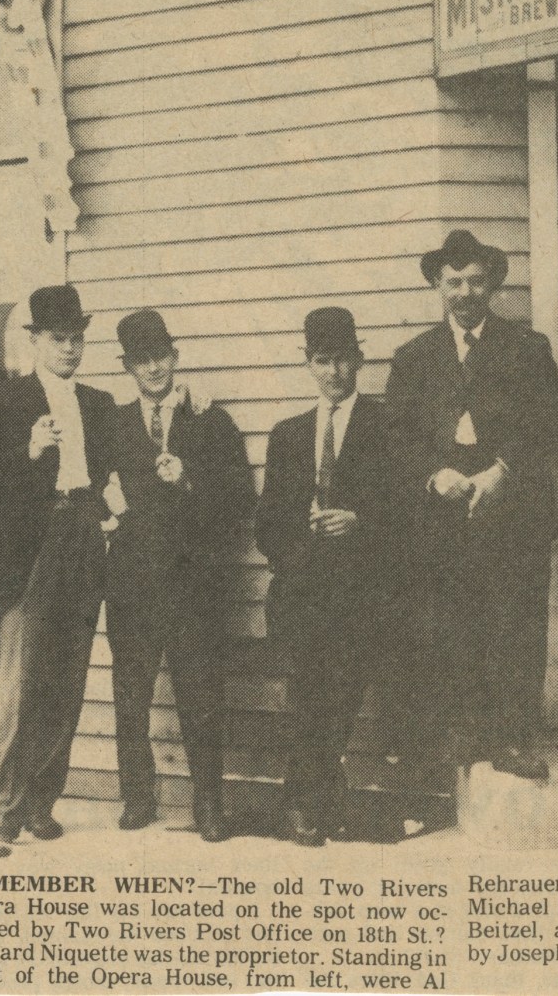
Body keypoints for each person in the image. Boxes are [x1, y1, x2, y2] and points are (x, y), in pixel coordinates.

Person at [385, 230, 558, 781]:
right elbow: (396, 438)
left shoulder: (528, 350)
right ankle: (461, 732)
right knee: (449, 621)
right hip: (442, 509)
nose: (465, 292)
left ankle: (513, 738)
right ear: (438, 286)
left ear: (493, 285)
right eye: (454, 282)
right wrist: (435, 475)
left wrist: (503, 471)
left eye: (476, 281)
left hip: (511, 503)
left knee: (513, 623)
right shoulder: (414, 358)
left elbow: (547, 429)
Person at [0, 285, 114, 858]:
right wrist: (24, 452)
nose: (70, 349)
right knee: (18, 685)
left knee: (68, 678)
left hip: (82, 536)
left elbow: (116, 466)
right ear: (34, 341)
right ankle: (0, 816)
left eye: (77, 338)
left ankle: (39, 806)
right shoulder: (5, 401)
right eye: (58, 339)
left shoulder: (98, 404)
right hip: (27, 546)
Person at [102, 310, 254, 842]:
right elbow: (89, 487)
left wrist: (192, 478)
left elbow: (242, 501)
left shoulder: (210, 421)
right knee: (129, 695)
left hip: (194, 589)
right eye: (141, 360)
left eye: (160, 356)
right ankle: (138, 798)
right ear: (127, 367)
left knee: (201, 697)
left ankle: (209, 805)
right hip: (131, 589)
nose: (152, 369)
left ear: (175, 356)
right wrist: (107, 511)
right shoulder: (112, 425)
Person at [255, 308, 397, 845]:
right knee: (308, 699)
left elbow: (409, 511)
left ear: (358, 360)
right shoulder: (288, 434)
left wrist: (359, 522)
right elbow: (268, 525)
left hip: (362, 594)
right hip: (303, 593)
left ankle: (307, 802)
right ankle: (313, 802)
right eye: (322, 361)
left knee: (336, 699)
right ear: (308, 365)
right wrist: (302, 545)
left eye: (342, 359)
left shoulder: (386, 426)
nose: (334, 372)